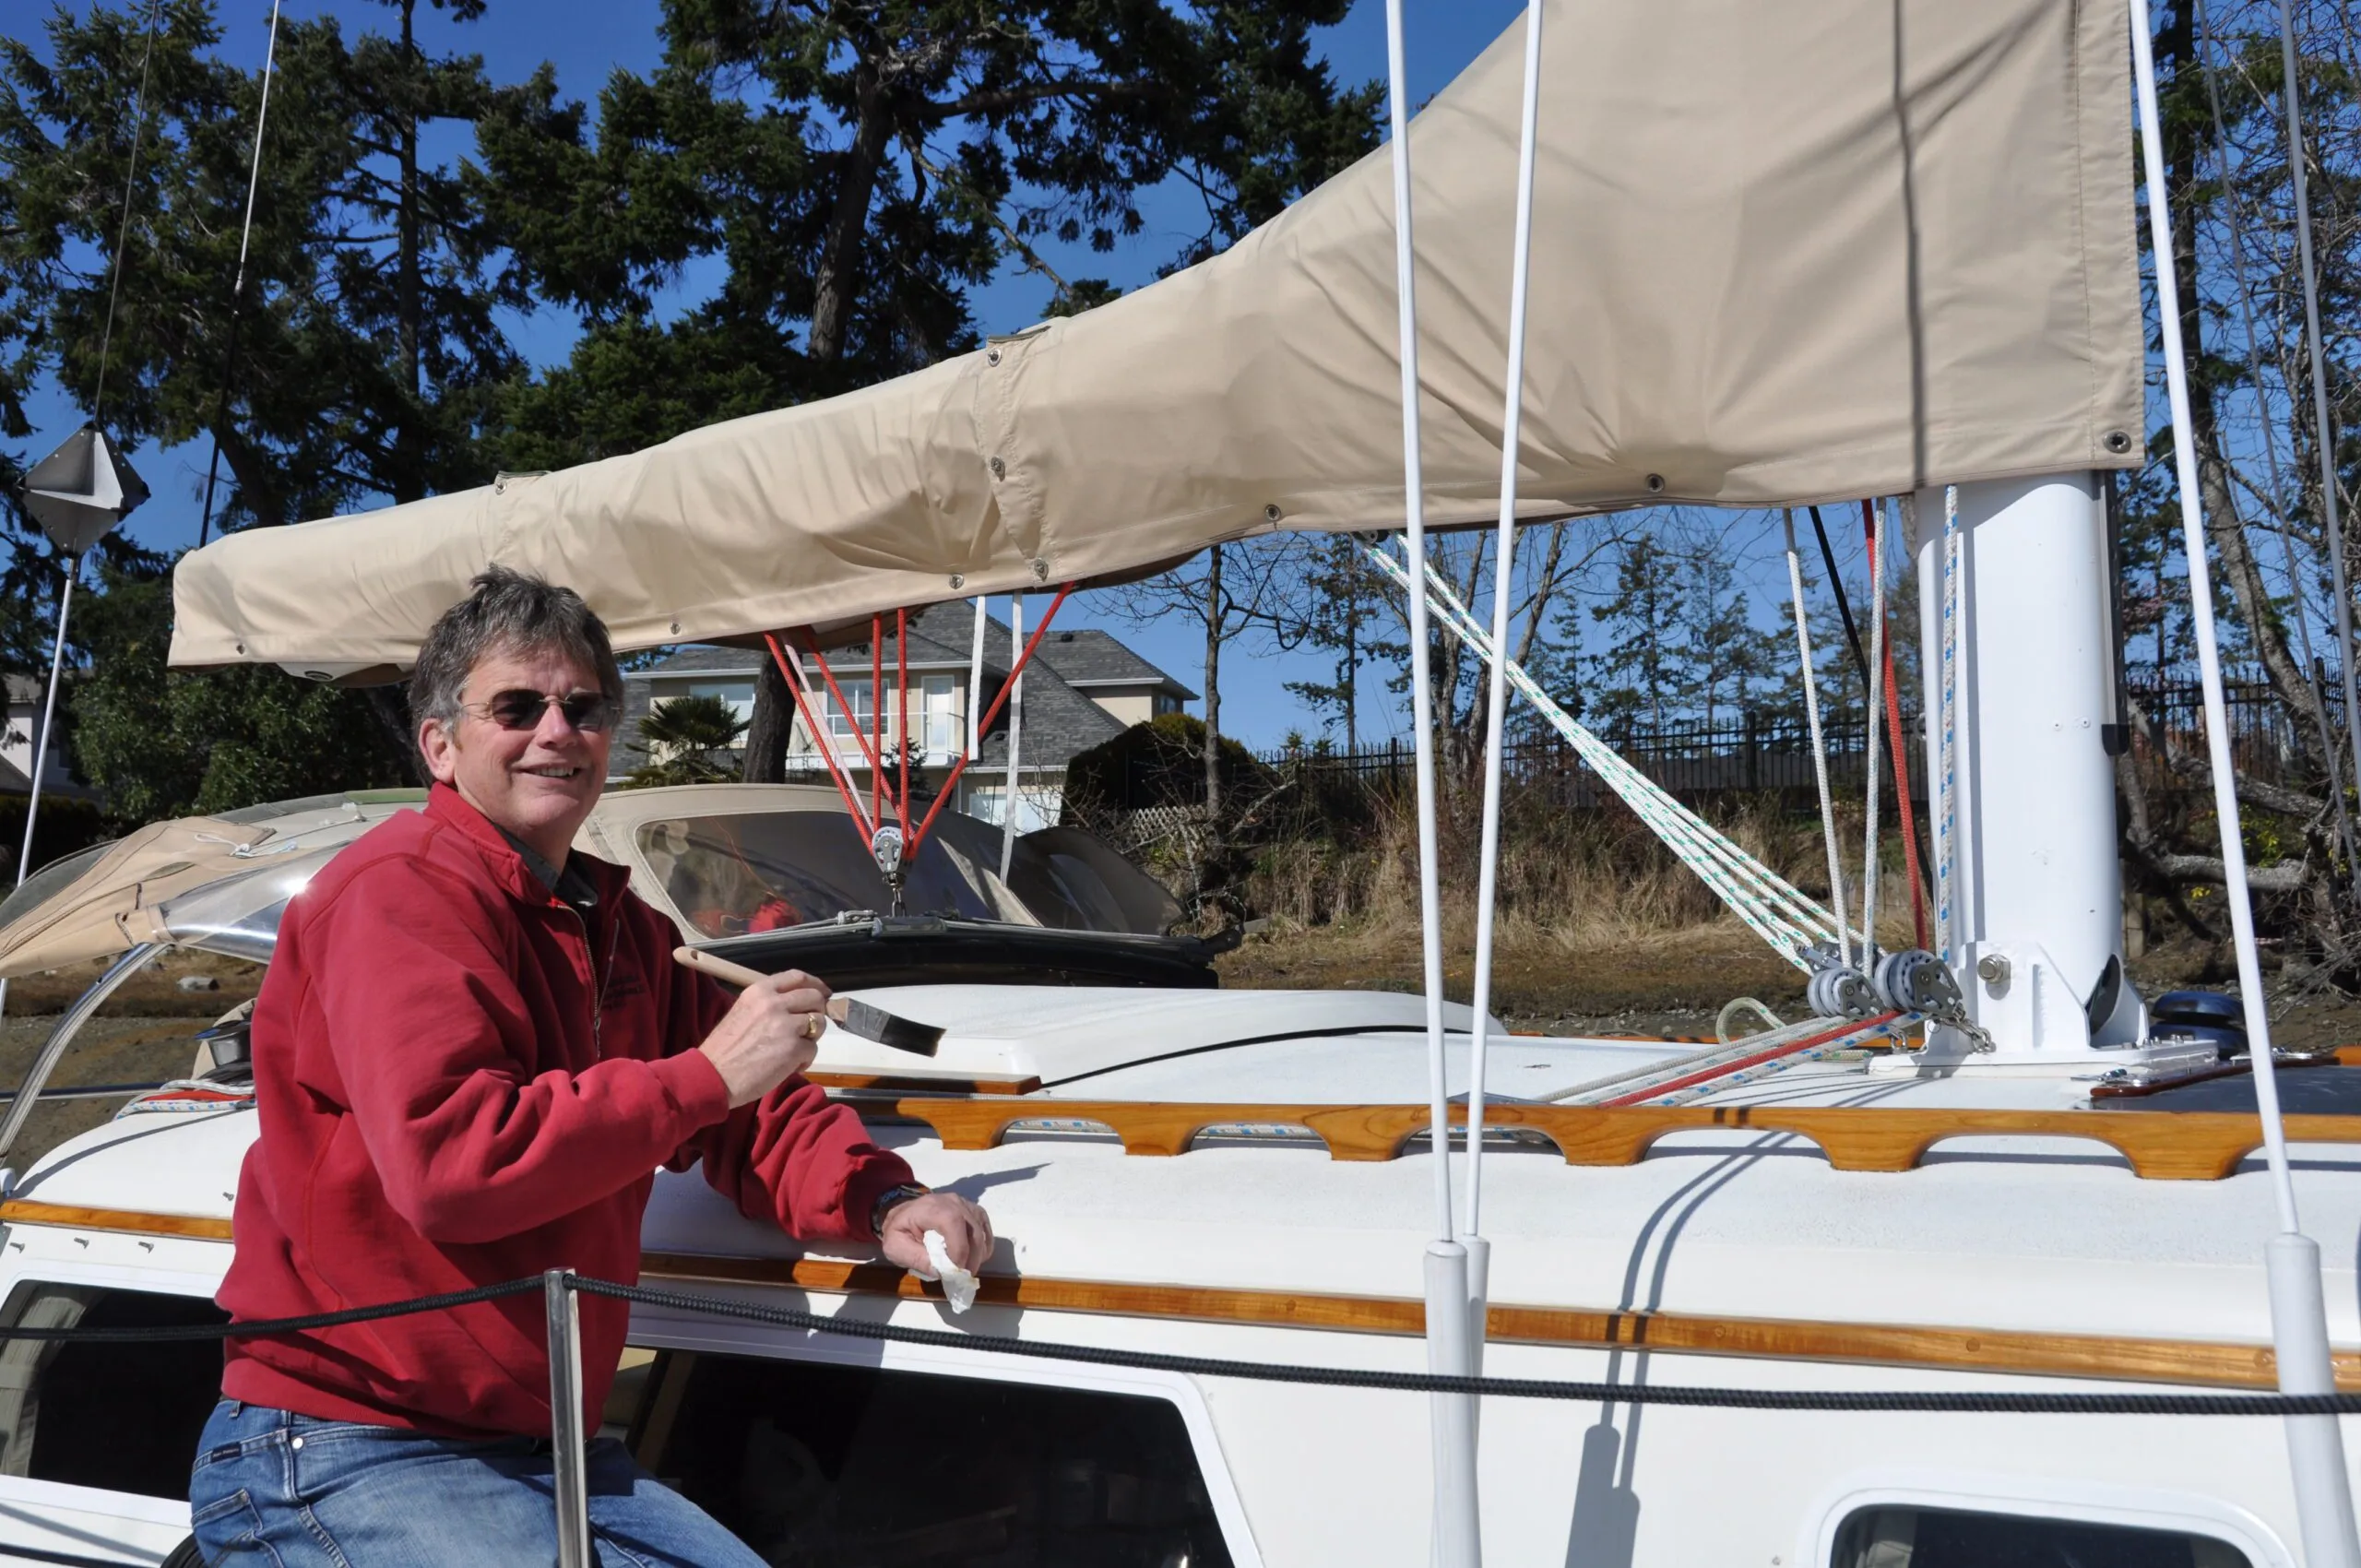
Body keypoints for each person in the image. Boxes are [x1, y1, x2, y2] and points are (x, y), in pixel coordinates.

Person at [189, 569, 992, 1566]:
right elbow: (453, 1161)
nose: (557, 730)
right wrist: (702, 1076)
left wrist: (880, 1199)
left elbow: (751, 1111)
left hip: (542, 1445)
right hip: (349, 1443)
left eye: (584, 706)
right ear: (440, 744)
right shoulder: (396, 897)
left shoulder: (624, 932)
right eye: (517, 706)